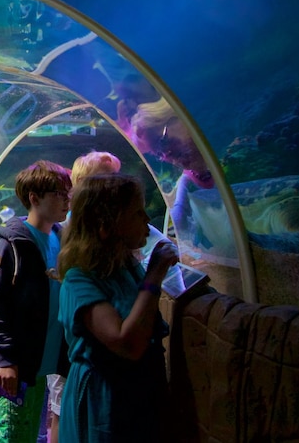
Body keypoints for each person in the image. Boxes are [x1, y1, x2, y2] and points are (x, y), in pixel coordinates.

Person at [56, 174, 180, 442]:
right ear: (106, 225)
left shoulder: (125, 267)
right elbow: (127, 343)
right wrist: (155, 275)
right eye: (137, 212)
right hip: (103, 405)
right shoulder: (79, 279)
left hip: (135, 399)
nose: (147, 219)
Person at [0, 160, 72, 442]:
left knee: (30, 435)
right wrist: (5, 360)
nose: (66, 200)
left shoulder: (60, 238)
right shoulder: (11, 243)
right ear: (34, 198)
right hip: (15, 370)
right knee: (12, 437)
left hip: (40, 368)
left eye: (68, 193)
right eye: (59, 193)